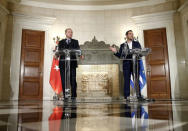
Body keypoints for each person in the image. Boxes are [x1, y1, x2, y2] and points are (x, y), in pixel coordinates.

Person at [109, 30, 142, 99]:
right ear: (126, 36)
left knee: (136, 79)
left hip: (135, 64)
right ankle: (127, 96)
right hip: (126, 64)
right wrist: (115, 51)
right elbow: (120, 56)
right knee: (126, 80)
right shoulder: (123, 45)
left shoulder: (137, 43)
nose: (132, 35)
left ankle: (138, 96)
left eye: (132, 34)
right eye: (130, 34)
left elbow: (140, 53)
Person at [58, 28, 83, 100]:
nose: (71, 33)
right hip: (63, 64)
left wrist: (80, 54)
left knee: (73, 80)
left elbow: (78, 50)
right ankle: (65, 96)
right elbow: (59, 51)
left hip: (72, 63)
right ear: (65, 33)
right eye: (69, 32)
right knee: (63, 80)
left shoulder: (75, 41)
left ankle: (74, 96)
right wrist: (56, 55)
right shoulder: (61, 42)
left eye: (71, 32)